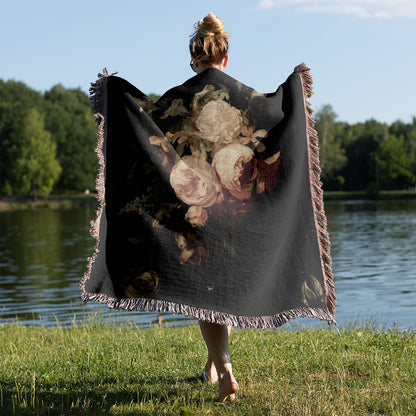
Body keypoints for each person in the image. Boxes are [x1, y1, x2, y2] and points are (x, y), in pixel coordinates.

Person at [187, 12, 239, 403]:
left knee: (206, 294)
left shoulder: (182, 95)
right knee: (223, 290)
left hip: (199, 207)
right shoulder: (245, 96)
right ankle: (210, 367)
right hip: (239, 209)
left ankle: (225, 372)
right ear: (225, 57)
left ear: (194, 60)